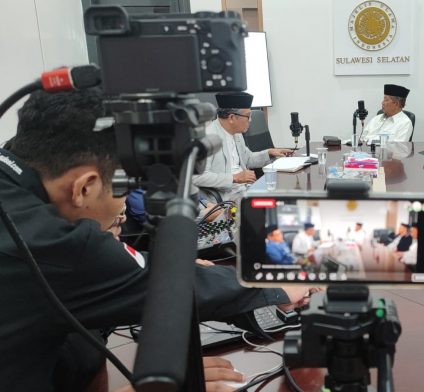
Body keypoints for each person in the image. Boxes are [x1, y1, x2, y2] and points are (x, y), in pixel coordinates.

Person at [0, 88, 309, 391]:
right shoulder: (48, 242)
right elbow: (161, 282)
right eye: (126, 188)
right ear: (84, 188)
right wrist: (275, 285)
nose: (124, 209)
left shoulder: (17, 188)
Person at [192, 92, 293, 202]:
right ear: (232, 117)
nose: (250, 120)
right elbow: (197, 177)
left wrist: (269, 152)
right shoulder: (208, 138)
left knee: (286, 196)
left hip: (245, 189)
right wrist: (234, 178)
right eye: (248, 116)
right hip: (227, 196)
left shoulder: (237, 133)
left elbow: (248, 159)